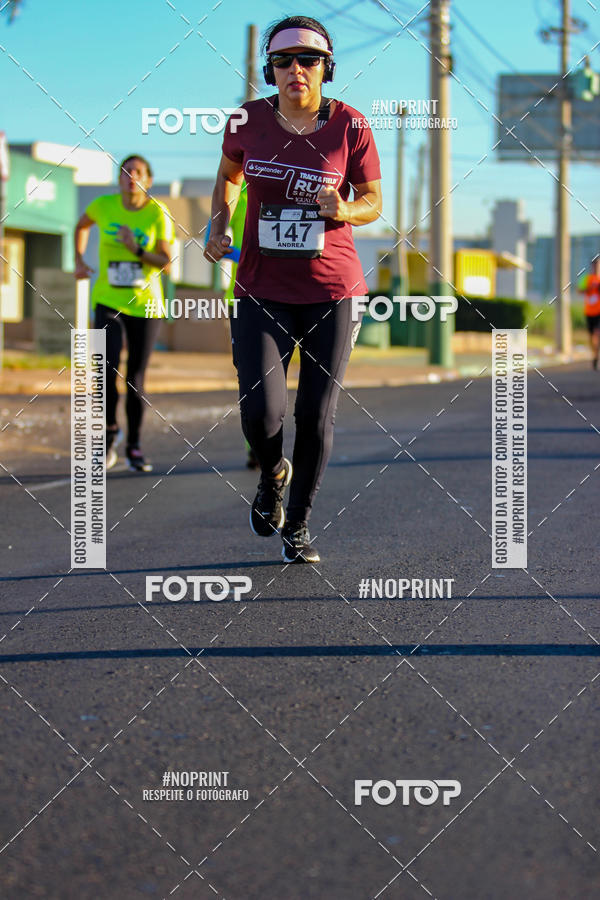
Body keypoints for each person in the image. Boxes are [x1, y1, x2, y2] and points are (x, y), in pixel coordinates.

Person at [204, 15, 381, 562]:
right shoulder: (246, 121)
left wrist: (345, 207)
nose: (296, 70)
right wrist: (220, 221)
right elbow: (229, 177)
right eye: (284, 61)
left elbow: (375, 203)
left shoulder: (351, 126)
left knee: (315, 414)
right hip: (261, 286)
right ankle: (272, 475)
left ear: (326, 69)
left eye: (308, 60)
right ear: (270, 70)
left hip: (333, 290)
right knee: (261, 411)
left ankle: (299, 523)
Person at [74, 155, 175, 471]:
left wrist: (136, 250)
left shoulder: (158, 213)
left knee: (135, 379)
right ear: (119, 179)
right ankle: (108, 437)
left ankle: (133, 445)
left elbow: (166, 262)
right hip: (107, 301)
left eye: (138, 172)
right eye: (125, 171)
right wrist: (78, 259)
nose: (131, 176)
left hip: (146, 305)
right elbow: (82, 225)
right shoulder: (103, 206)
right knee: (105, 373)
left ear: (148, 180)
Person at [577, 256, 600, 370]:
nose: (596, 267)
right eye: (594, 264)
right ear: (592, 266)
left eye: (598, 264)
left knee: (597, 334)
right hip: (589, 311)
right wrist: (589, 288)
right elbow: (579, 290)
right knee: (592, 337)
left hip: (599, 312)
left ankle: (596, 355)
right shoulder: (587, 279)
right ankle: (595, 356)